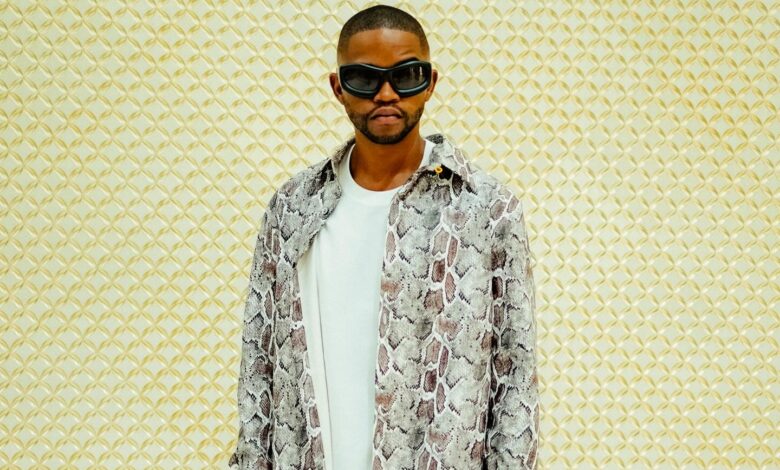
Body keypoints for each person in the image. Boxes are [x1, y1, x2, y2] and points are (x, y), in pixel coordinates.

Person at [229, 4, 539, 469]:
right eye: (364, 78)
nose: (387, 93)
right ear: (338, 87)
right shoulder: (292, 208)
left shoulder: (487, 210)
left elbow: (515, 377)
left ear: (430, 82)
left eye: (406, 75)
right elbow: (258, 366)